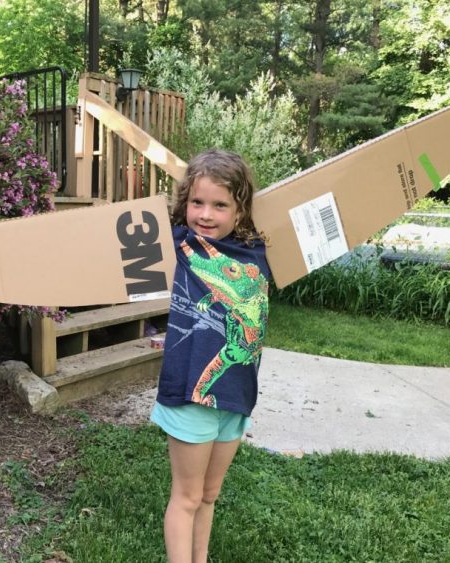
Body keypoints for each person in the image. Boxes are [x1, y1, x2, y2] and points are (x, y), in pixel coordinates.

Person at [150, 149, 270, 562]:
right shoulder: (176, 246)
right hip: (190, 393)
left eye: (220, 205)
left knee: (209, 494)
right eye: (197, 202)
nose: (205, 214)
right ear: (184, 203)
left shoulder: (255, 254)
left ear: (240, 211)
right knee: (186, 496)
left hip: (235, 394)